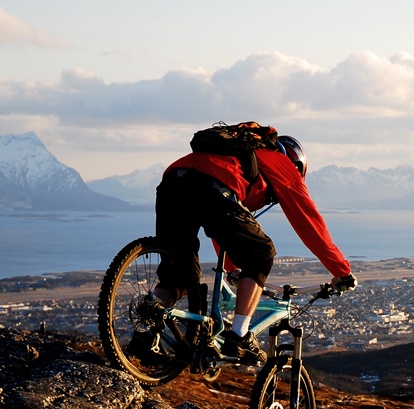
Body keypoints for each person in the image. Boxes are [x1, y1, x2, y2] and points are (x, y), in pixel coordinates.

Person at [133, 133, 356, 365]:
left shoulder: (237, 157)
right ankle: (239, 336)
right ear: (296, 164)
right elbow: (309, 224)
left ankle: (145, 334)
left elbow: (223, 230)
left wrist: (232, 269)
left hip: (172, 183)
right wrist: (342, 271)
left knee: (178, 274)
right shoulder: (283, 164)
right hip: (211, 186)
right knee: (261, 253)